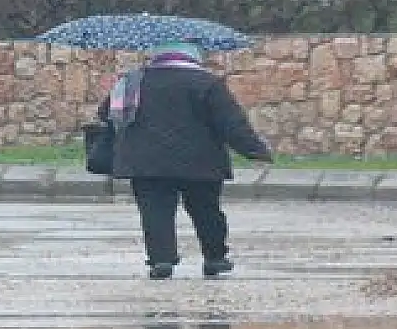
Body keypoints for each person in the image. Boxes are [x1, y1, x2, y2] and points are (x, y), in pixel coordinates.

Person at [97, 41, 273, 280]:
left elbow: (107, 114)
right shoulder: (207, 83)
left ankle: (161, 260)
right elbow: (230, 122)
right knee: (206, 210)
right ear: (192, 56)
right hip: (201, 161)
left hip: (146, 161)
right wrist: (255, 150)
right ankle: (215, 257)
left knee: (155, 211)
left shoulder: (133, 81)